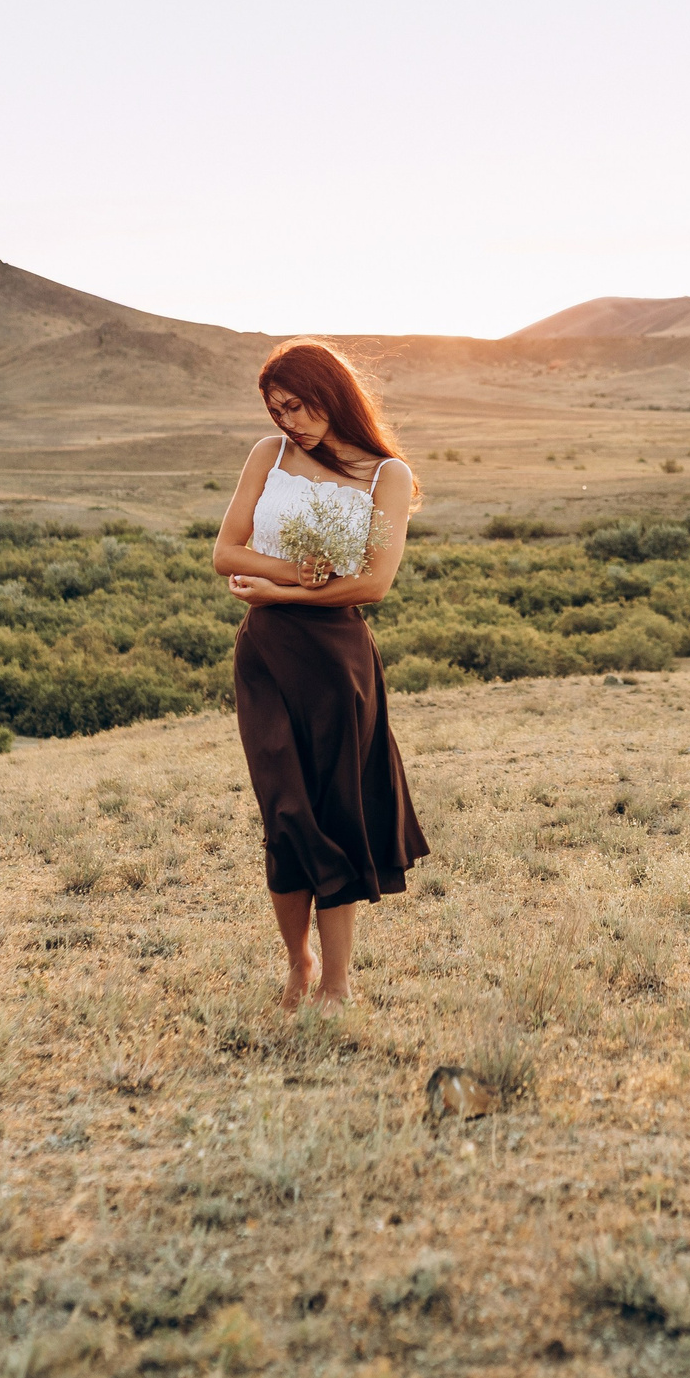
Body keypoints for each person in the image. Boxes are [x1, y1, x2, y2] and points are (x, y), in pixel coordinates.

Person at [209, 338, 429, 1008]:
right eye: (278, 411)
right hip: (266, 654)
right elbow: (226, 551)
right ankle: (297, 960)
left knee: (336, 810)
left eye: (297, 406)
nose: (289, 423)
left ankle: (336, 980)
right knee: (284, 811)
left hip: (338, 659)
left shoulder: (386, 473)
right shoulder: (267, 455)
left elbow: (374, 582)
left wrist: (285, 591)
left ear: (330, 393)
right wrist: (286, 576)